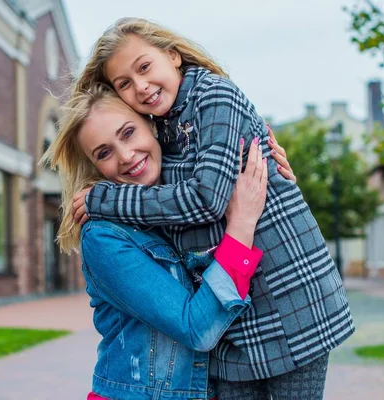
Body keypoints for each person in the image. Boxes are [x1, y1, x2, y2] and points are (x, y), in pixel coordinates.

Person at [72, 17, 355, 399]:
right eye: (124, 83)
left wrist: (102, 199)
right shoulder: (163, 130)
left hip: (287, 305)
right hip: (230, 320)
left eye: (144, 67)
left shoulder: (214, 96)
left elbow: (207, 199)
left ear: (173, 55)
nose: (140, 86)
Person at [43, 84, 287, 399]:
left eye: (128, 133)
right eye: (104, 152)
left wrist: (276, 170)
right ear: (94, 167)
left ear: (150, 125)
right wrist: (241, 224)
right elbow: (197, 329)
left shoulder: (189, 199)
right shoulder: (103, 236)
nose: (126, 156)